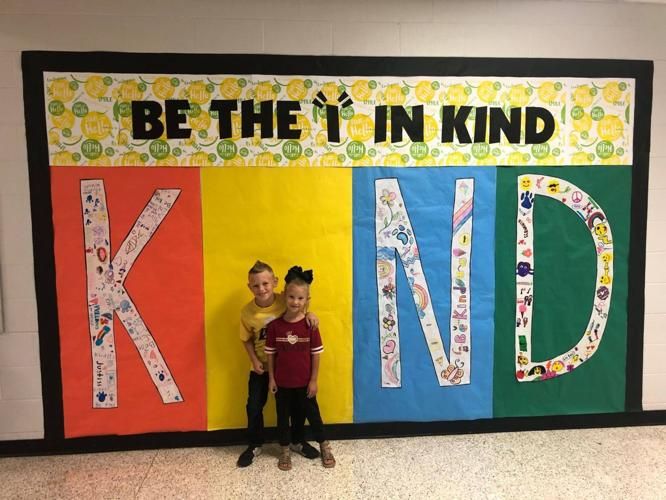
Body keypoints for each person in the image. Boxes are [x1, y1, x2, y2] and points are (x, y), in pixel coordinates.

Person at [236, 260, 320, 468]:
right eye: (255, 285)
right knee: (254, 406)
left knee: (297, 407)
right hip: (262, 368)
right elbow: (245, 339)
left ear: (274, 283)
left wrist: (310, 313)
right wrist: (254, 361)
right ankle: (255, 444)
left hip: (287, 368)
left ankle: (297, 441)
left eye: (265, 283)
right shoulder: (247, 312)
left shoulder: (286, 300)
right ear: (249, 287)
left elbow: (300, 305)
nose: (261, 289)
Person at [265, 266, 336, 471]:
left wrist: (313, 380)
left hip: (305, 383)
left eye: (300, 298)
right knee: (282, 418)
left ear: (307, 301)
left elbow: (316, 355)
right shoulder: (275, 327)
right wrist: (271, 378)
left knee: (313, 416)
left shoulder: (310, 326)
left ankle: (324, 446)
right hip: (282, 384)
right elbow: (270, 355)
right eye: (291, 297)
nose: (295, 302)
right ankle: (285, 451)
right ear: (284, 296)